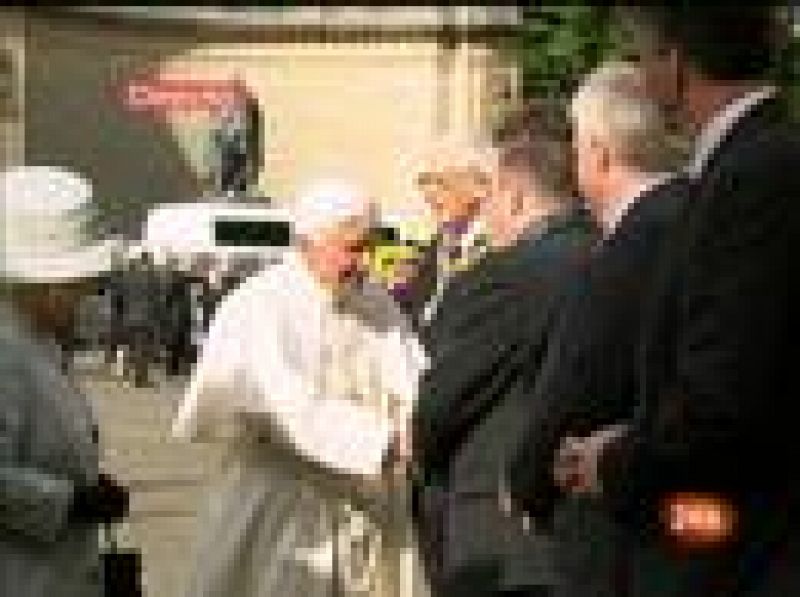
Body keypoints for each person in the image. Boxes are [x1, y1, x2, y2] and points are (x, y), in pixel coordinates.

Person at [537, 6, 800, 595]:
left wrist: (613, 461)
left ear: (675, 63)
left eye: (644, 55)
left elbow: (721, 398)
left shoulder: (754, 176)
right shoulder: (751, 165)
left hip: (735, 552)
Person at [172, 179, 428, 597]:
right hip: (283, 510)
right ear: (307, 242)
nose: (362, 263)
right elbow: (284, 406)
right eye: (351, 249)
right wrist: (383, 441)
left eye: (367, 248)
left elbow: (412, 375)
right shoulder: (261, 305)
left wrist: (422, 423)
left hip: (366, 506)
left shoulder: (376, 302)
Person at [506, 61, 689, 597]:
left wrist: (527, 483)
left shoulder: (634, 241)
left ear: (599, 153)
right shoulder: (702, 213)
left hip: (620, 515)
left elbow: (578, 380)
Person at [410, 102, 596, 597]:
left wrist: (415, 445)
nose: (482, 210)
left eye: (488, 194)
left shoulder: (505, 276)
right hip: (584, 518)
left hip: (501, 524)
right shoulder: (607, 250)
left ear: (514, 198)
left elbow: (442, 401)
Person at [0, 166, 129, 597]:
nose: (90, 295)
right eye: (81, 286)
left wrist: (88, 484)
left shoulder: (38, 340)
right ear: (46, 284)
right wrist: (71, 502)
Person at [398, 140, 495, 331]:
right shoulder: (437, 244)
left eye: (441, 182)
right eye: (424, 181)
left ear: (480, 187)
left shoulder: (497, 247)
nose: (430, 193)